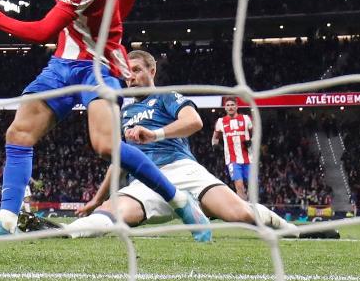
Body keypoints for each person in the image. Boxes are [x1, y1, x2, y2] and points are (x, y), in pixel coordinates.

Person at [0, 0, 211, 240]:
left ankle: (180, 200)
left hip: (96, 68)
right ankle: (6, 223)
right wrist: (109, 32)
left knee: (105, 145)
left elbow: (41, 31)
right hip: (63, 63)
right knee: (18, 133)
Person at [62, 50, 339, 239]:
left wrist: (154, 134)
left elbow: (194, 121)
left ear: (152, 70)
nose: (131, 77)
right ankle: (66, 231)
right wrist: (96, 200)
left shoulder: (166, 97)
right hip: (146, 181)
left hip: (183, 171)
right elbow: (118, 160)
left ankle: (294, 231)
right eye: (128, 73)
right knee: (113, 213)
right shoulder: (124, 113)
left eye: (136, 70)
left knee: (240, 213)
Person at [212, 97, 253, 198]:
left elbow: (255, 133)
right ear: (225, 108)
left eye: (232, 105)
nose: (230, 107)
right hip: (232, 159)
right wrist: (215, 146)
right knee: (239, 185)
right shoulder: (221, 121)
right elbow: (215, 137)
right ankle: (244, 209)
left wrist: (251, 141)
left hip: (248, 158)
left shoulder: (246, 119)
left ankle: (252, 205)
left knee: (253, 186)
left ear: (236, 106)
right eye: (228, 105)